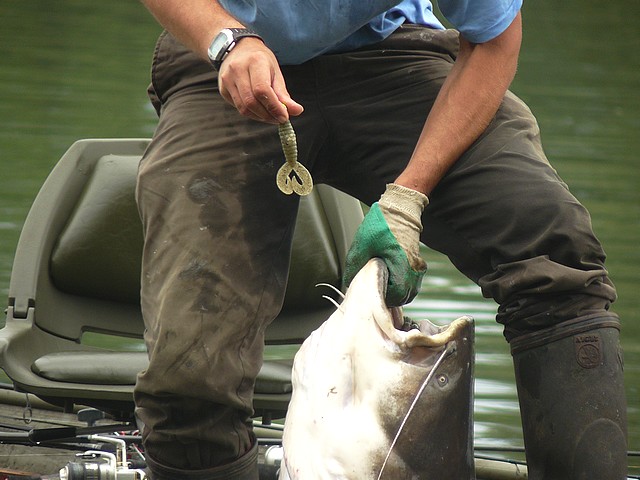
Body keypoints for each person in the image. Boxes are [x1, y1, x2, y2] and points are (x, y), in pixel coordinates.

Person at [134, 1, 628, 479]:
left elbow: (495, 38)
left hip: (394, 54)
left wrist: (408, 195)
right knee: (189, 378)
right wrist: (227, 40)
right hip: (224, 54)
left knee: (550, 245)